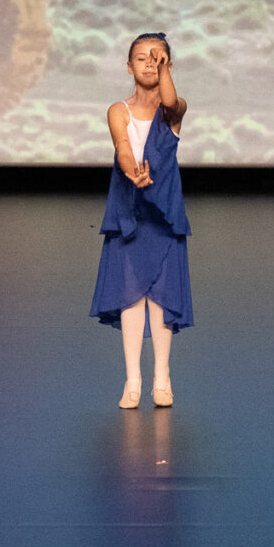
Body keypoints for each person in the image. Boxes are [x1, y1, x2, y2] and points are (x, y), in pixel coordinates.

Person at [90, 32, 192, 408]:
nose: (149, 62)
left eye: (157, 57)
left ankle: (162, 377)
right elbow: (122, 145)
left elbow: (170, 102)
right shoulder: (118, 109)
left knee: (162, 296)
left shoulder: (173, 110)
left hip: (163, 212)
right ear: (128, 66)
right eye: (141, 57)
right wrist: (132, 170)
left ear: (168, 65)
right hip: (129, 209)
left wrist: (165, 71)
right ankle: (132, 380)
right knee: (130, 295)